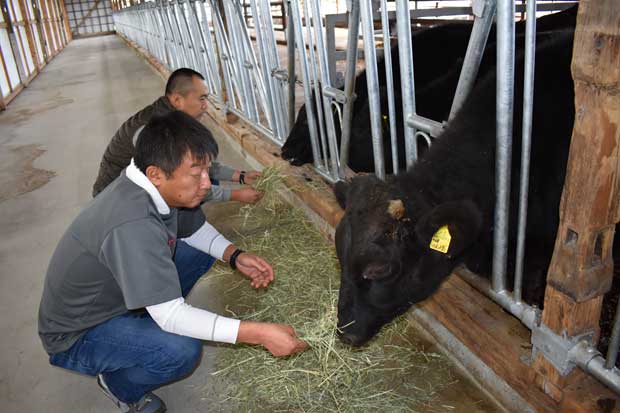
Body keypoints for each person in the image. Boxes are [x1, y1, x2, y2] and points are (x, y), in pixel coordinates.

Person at [39, 111, 308, 413]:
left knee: (197, 252)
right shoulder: (132, 222)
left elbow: (192, 230)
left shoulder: (157, 186)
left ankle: (144, 315)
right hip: (78, 332)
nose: (206, 184)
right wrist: (259, 333)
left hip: (116, 296)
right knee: (180, 350)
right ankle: (119, 386)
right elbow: (172, 317)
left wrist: (235, 256)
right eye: (196, 174)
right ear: (156, 173)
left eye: (207, 170)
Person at [92, 67, 263, 204]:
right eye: (202, 99)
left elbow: (199, 163)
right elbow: (180, 182)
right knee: (193, 186)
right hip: (116, 199)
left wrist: (241, 176)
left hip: (133, 187)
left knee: (203, 176)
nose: (206, 106)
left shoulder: (174, 119)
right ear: (176, 100)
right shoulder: (159, 131)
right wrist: (236, 194)